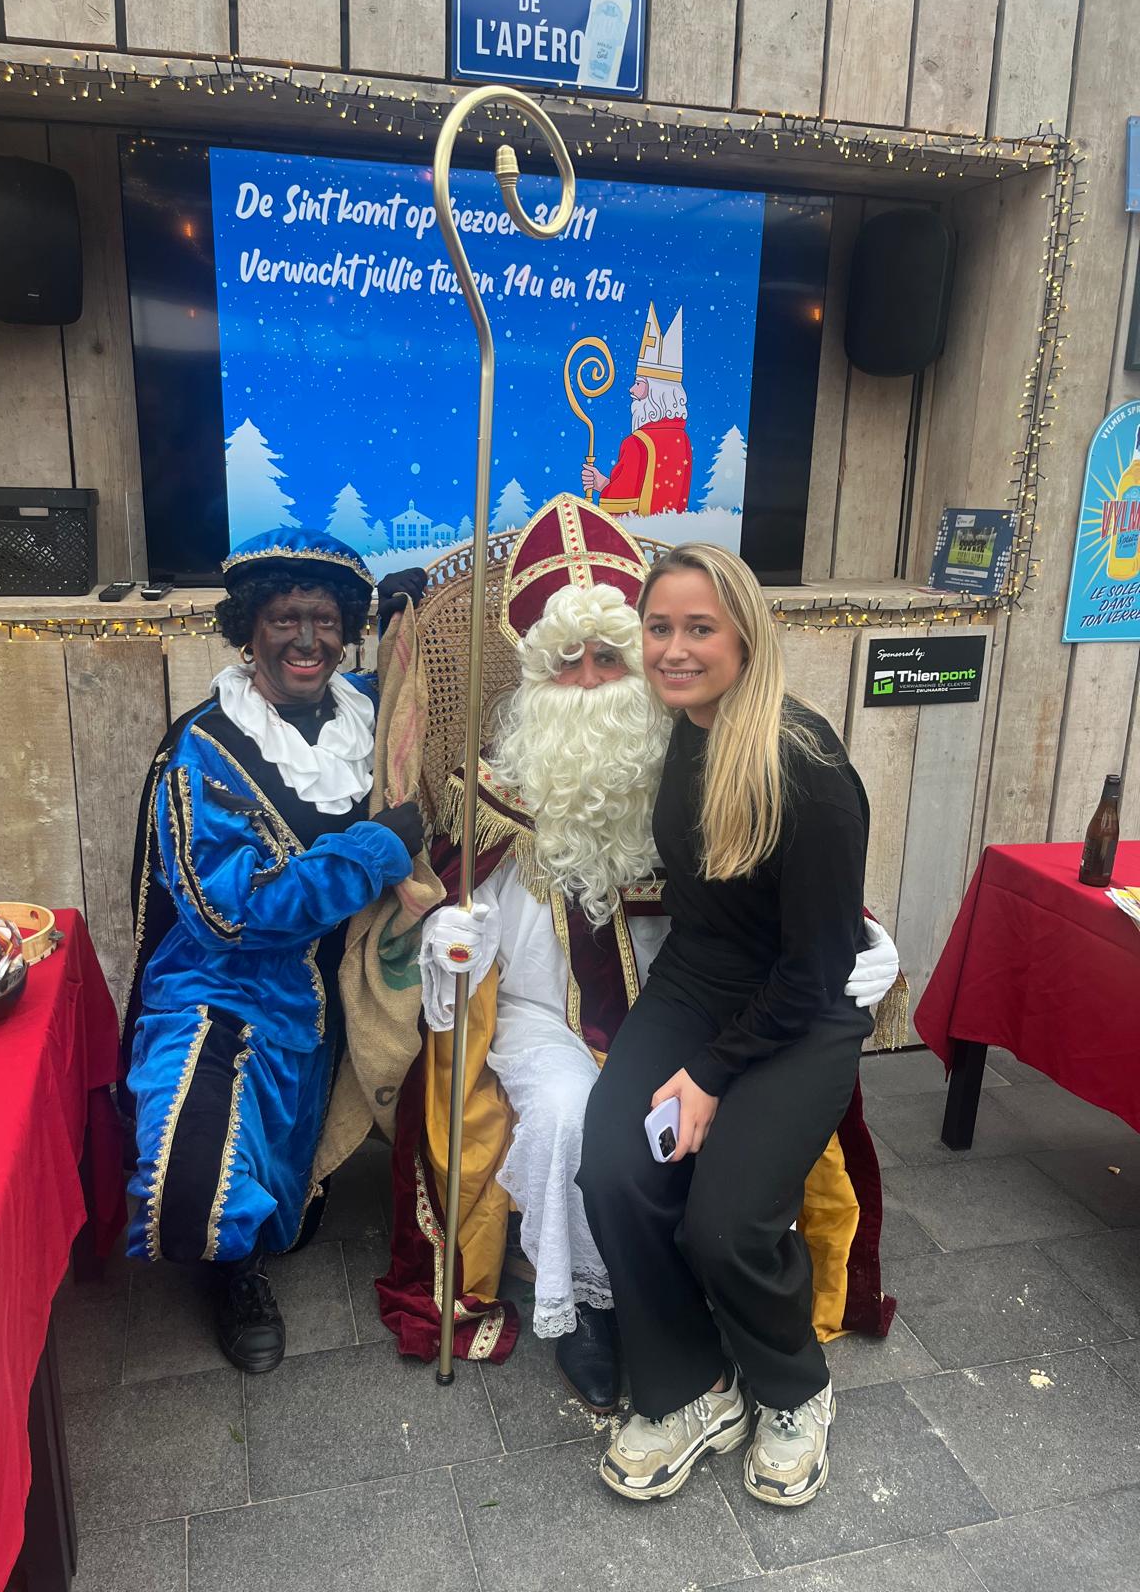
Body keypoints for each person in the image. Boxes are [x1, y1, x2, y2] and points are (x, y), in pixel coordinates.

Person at [377, 499, 900, 1413]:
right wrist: (452, 942)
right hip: (545, 1015)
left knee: (700, 1142)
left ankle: (710, 1305)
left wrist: (864, 939)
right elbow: (464, 916)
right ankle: (593, 1308)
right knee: (578, 1119)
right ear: (538, 673)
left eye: (609, 656)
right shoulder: (495, 786)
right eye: (568, 660)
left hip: (700, 1004)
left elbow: (776, 886)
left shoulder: (699, 749)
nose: (590, 679)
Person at [578, 541, 878, 1508]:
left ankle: (793, 1389)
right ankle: (694, 1384)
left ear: (744, 636)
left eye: (698, 629)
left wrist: (711, 1072)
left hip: (802, 1011)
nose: (673, 649)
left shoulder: (807, 767)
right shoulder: (683, 731)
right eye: (658, 627)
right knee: (614, 1168)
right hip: (698, 984)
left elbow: (817, 965)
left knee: (725, 1223)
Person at [121, 525, 426, 1374]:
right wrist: (373, 850)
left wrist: (411, 624)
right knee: (192, 1175)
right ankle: (234, 1276)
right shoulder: (202, 752)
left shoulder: (363, 710)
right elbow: (233, 913)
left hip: (336, 994)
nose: (306, 640)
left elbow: (425, 698)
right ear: (249, 629)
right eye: (286, 619)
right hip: (222, 990)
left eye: (326, 620)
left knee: (296, 1210)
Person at [582, 303, 692, 516]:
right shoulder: (682, 439)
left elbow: (621, 505)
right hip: (673, 533)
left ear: (657, 391)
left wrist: (602, 484)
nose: (632, 390)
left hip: (640, 534)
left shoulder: (637, 443)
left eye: (639, 383)